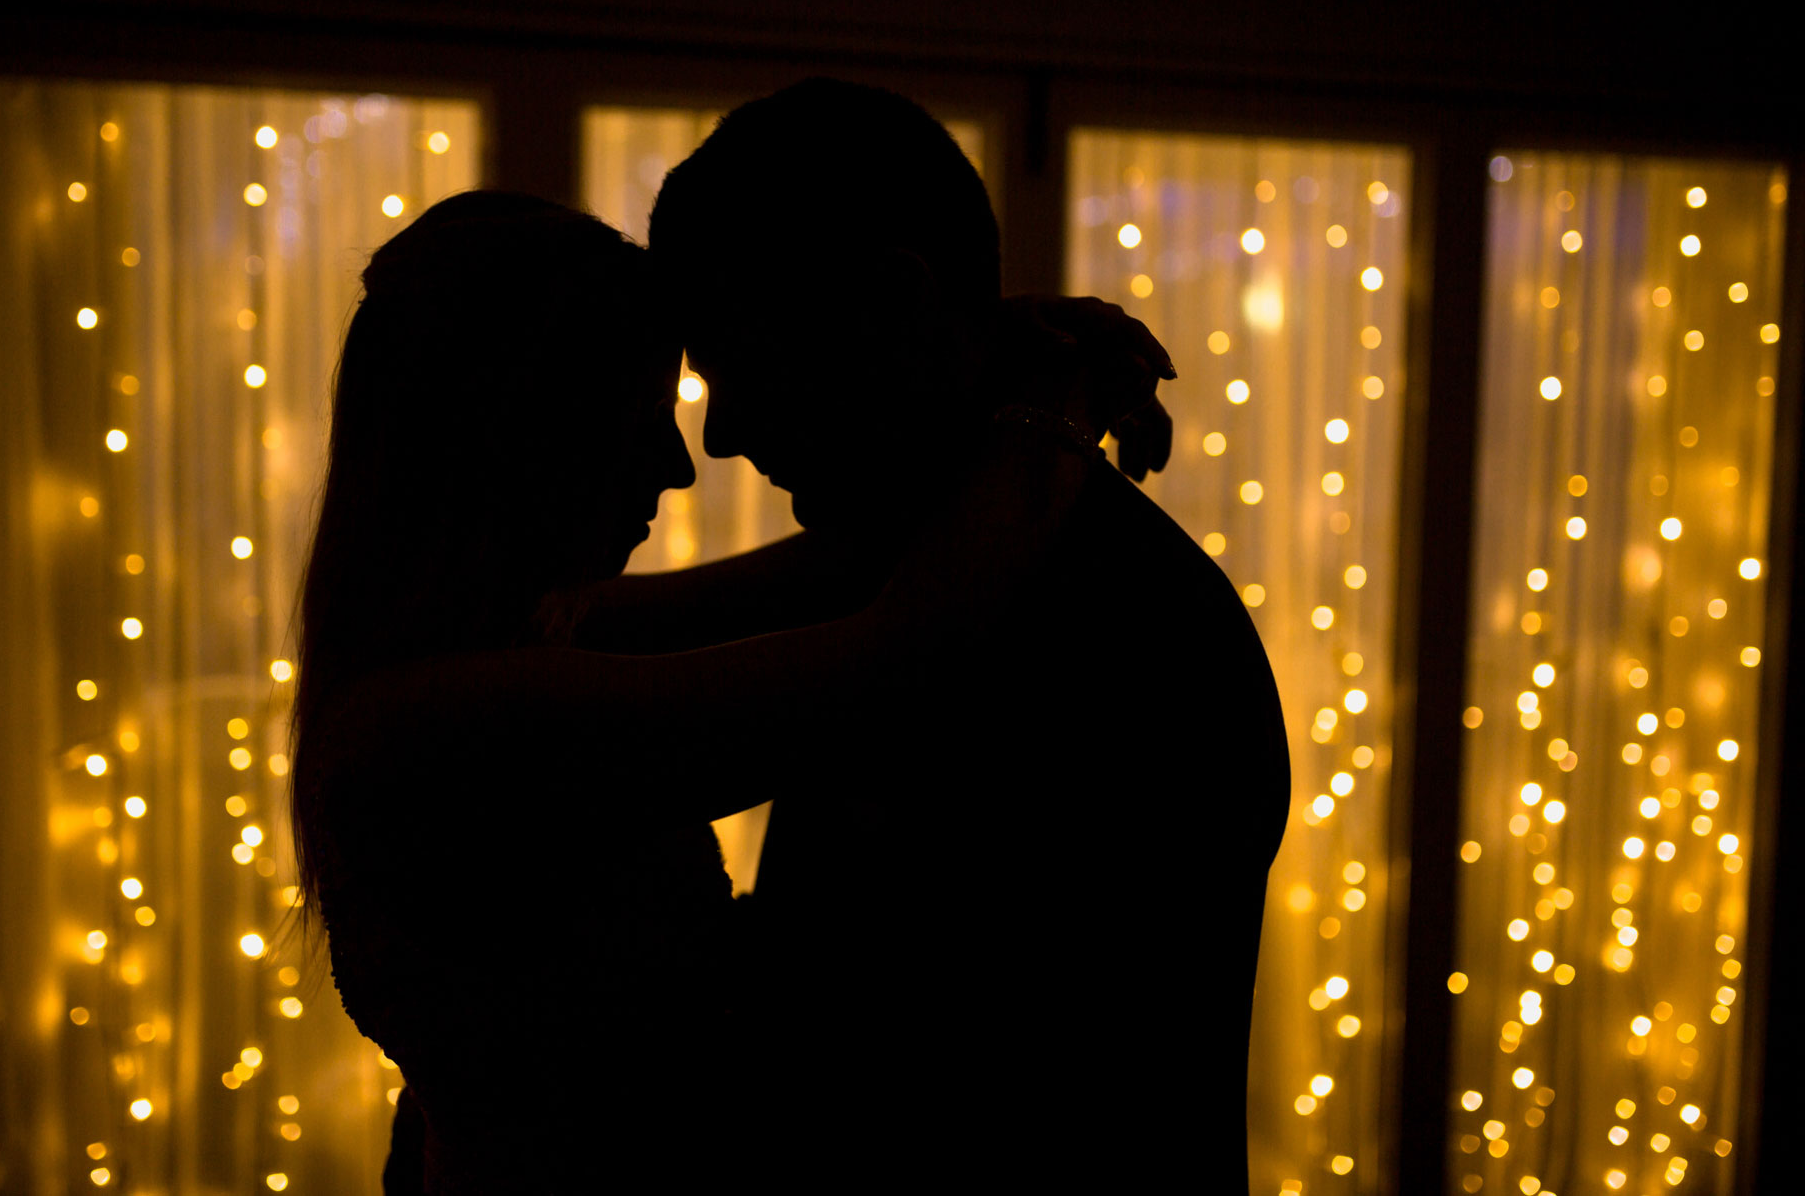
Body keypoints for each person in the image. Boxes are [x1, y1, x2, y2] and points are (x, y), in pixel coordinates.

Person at [285, 187, 1169, 1194]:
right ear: (523, 433)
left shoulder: (512, 653)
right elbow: (892, 658)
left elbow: (845, 565)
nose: (675, 465)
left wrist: (947, 351)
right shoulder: (443, 724)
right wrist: (1043, 406)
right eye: (636, 417)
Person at [576, 78, 1294, 1191]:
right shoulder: (935, 579)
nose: (718, 437)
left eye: (738, 364)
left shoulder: (1098, 626)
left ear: (892, 305)